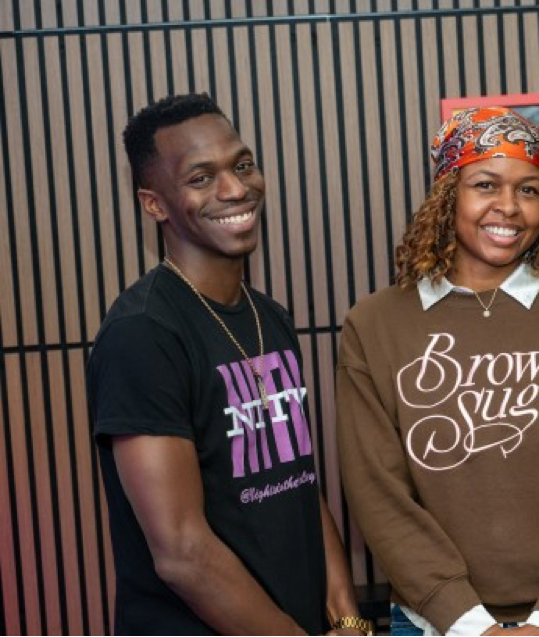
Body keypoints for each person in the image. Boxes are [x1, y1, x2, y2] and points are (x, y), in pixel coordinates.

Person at [335, 107, 539, 636]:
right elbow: (377, 491)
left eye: (528, 190)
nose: (508, 207)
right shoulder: (374, 325)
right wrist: (467, 623)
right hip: (439, 623)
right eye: (486, 184)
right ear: (447, 194)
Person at [87, 93, 372, 636]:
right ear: (155, 204)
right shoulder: (142, 336)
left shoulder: (270, 317)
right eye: (200, 177)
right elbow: (182, 553)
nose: (236, 189)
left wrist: (350, 619)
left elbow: (299, 480)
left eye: (241, 165)